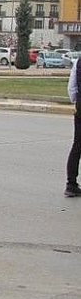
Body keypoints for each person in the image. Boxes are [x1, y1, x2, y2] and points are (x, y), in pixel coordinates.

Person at [65, 58, 81, 196]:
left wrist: (77, 101)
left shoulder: (78, 61)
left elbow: (71, 89)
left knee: (77, 147)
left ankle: (71, 184)